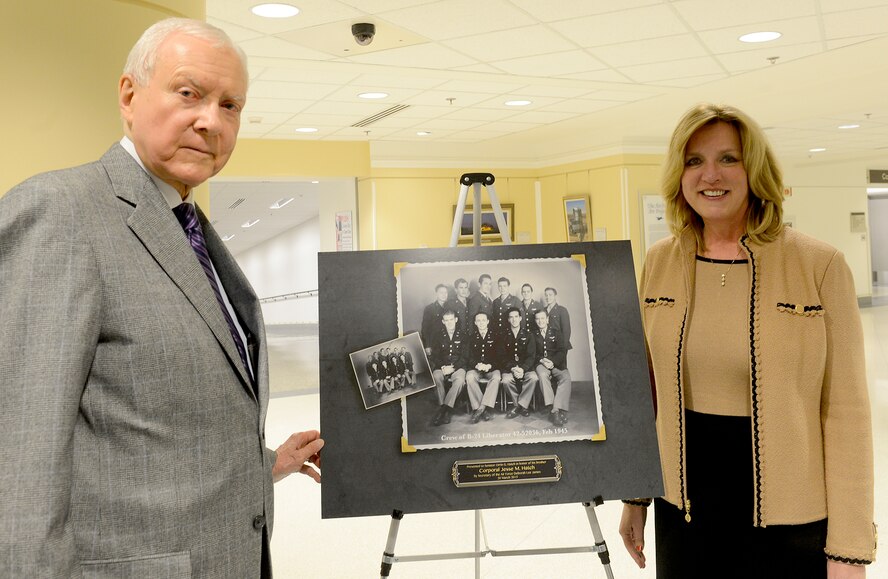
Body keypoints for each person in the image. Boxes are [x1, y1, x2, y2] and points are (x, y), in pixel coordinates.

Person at [0, 19, 323, 577]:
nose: (211, 121)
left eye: (231, 105)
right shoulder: (61, 212)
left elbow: (149, 430)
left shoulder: (188, 224)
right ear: (129, 95)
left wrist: (266, 465)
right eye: (189, 94)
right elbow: (20, 460)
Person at [618, 104, 876, 578]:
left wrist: (848, 550)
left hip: (789, 520)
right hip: (684, 511)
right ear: (679, 174)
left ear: (755, 169)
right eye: (694, 161)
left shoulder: (818, 265)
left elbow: (846, 414)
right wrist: (635, 497)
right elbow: (644, 393)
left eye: (728, 159)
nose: (709, 175)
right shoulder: (660, 261)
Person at [429, 311, 476, 426]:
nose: (449, 323)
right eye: (447, 320)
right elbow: (435, 356)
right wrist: (442, 367)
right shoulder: (438, 336)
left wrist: (453, 367)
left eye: (451, 320)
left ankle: (444, 410)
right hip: (443, 366)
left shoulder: (464, 336)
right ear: (443, 322)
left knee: (459, 380)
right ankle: (445, 408)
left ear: (456, 320)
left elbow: (465, 356)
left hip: (458, 366)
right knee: (435, 377)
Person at [532, 309, 571, 426]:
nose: (540, 321)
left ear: (547, 319)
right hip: (541, 364)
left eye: (542, 318)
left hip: (556, 363)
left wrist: (552, 362)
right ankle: (554, 411)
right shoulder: (533, 334)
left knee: (566, 377)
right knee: (543, 375)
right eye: (537, 319)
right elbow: (532, 353)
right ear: (535, 320)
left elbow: (562, 351)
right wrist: (542, 361)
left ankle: (555, 410)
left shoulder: (556, 332)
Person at [500, 307, 539, 419]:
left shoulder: (528, 334)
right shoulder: (503, 335)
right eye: (511, 317)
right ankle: (521, 406)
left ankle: (519, 405)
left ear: (520, 318)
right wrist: (512, 368)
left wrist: (523, 369)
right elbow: (501, 357)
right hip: (509, 368)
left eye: (516, 317)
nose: (514, 320)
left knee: (533, 378)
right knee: (506, 381)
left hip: (525, 368)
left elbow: (531, 356)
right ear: (508, 320)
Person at [465, 311, 503, 423]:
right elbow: (468, 356)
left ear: (487, 321)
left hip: (491, 368)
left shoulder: (496, 336)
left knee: (496, 378)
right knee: (469, 377)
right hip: (476, 368)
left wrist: (490, 365)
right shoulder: (471, 337)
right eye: (478, 320)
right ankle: (484, 410)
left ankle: (480, 409)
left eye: (483, 320)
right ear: (475, 323)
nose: (481, 323)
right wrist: (476, 364)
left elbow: (500, 357)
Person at [421, 283, 450, 354]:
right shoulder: (430, 308)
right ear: (436, 294)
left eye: (446, 292)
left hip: (448, 342)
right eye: (441, 293)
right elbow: (425, 329)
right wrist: (427, 346)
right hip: (435, 343)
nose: (444, 295)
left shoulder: (450, 307)